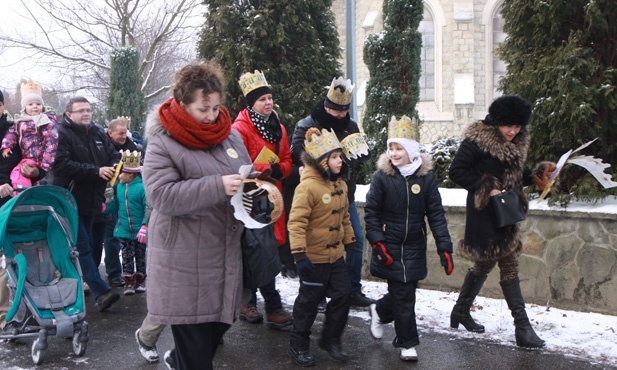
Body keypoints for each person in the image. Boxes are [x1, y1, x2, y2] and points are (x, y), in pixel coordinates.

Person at [142, 60, 251, 370]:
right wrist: (217, 186)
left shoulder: (230, 136)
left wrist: (256, 189)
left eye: (216, 108)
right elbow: (162, 197)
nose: (212, 116)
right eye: (203, 110)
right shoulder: (163, 142)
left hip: (225, 252)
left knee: (219, 326)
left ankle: (179, 359)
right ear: (182, 104)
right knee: (198, 349)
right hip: (184, 260)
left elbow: (242, 177)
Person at [448, 95, 552, 349]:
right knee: (509, 264)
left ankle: (460, 311)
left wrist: (539, 175)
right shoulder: (477, 140)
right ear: (497, 122)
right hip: (485, 214)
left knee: (483, 265)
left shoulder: (517, 140)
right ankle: (523, 328)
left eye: (517, 127)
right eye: (509, 126)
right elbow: (456, 171)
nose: (513, 131)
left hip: (507, 213)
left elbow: (516, 175)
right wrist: (486, 187)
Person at [364, 115, 454, 361]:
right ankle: (407, 343)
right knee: (404, 295)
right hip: (389, 243)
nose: (393, 153)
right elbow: (371, 212)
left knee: (406, 291)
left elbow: (435, 213)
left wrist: (444, 247)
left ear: (411, 149)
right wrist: (378, 242)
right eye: (390, 147)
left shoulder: (426, 178)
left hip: (414, 243)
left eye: (399, 148)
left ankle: (380, 310)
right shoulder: (382, 177)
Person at [289, 77, 373, 308]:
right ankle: (316, 290)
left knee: (354, 240)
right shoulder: (307, 123)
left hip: (344, 194)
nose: (340, 115)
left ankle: (352, 289)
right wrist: (324, 160)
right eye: (336, 110)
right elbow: (297, 151)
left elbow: (359, 148)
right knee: (318, 246)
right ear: (326, 106)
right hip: (317, 195)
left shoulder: (350, 124)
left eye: (344, 110)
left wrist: (361, 154)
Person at [287, 127, 356, 367]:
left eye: (341, 156)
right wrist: (299, 255)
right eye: (335, 157)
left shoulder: (340, 185)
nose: (341, 161)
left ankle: (331, 339)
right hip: (313, 258)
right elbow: (296, 223)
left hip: (335, 256)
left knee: (342, 295)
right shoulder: (307, 188)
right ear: (322, 161)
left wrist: (350, 241)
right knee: (308, 304)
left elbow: (344, 216)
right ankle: (298, 345)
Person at [232, 70, 292, 329]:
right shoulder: (239, 129)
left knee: (267, 250)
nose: (268, 103)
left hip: (271, 198)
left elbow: (288, 159)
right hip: (247, 199)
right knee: (252, 251)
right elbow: (235, 163)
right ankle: (255, 303)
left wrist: (278, 170)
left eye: (270, 98)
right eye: (262, 100)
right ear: (251, 103)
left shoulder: (279, 128)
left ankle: (266, 304)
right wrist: (258, 169)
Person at [52, 96, 121, 311]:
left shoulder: (99, 133)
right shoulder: (61, 134)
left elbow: (114, 155)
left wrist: (112, 168)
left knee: (90, 245)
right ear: (69, 114)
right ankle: (101, 292)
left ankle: (75, 285)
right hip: (69, 200)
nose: (86, 113)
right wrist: (96, 171)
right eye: (81, 110)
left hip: (94, 199)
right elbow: (61, 164)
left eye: (89, 110)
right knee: (81, 246)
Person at [103, 150, 148, 295]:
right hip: (124, 230)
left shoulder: (141, 188)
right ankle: (129, 282)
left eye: (121, 173)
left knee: (140, 256)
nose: (119, 176)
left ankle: (140, 280)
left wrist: (144, 225)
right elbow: (115, 207)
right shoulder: (120, 188)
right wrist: (107, 203)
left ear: (130, 174)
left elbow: (148, 207)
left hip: (139, 231)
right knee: (127, 256)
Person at [1, 80, 57, 189]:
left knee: (23, 176)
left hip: (34, 162)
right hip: (7, 188)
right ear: (25, 108)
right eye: (30, 104)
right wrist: (6, 146)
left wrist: (41, 170)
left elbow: (52, 145)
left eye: (38, 104)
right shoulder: (19, 124)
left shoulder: (45, 123)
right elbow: (10, 137)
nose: (34, 107)